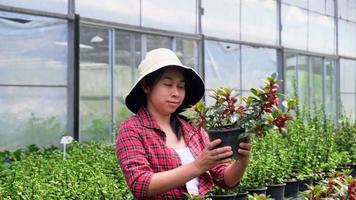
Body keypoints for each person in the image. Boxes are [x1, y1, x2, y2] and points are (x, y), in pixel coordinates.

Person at [116, 48, 251, 199]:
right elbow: (140, 184)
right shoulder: (132, 129)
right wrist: (197, 166)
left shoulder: (191, 127)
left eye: (181, 86)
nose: (176, 93)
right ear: (146, 86)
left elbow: (224, 179)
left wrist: (242, 161)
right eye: (167, 84)